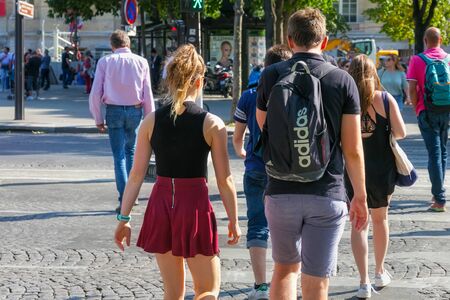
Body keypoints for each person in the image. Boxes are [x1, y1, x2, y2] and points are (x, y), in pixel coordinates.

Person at [255, 8, 368, 299]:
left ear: (290, 40)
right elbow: (353, 149)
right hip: (326, 192)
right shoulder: (342, 80)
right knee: (316, 279)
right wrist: (360, 196)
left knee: (284, 269)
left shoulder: (269, 75)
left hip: (280, 190)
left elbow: (264, 126)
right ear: (325, 40)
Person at [114, 44, 241, 299]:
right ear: (200, 80)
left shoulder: (150, 121)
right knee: (208, 290)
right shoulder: (211, 124)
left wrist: (124, 218)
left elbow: (136, 174)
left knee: (173, 293)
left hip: (161, 204)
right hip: (194, 206)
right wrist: (234, 220)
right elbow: (224, 179)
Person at [232, 44, 292, 299]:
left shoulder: (248, 95)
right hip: (286, 170)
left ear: (265, 66)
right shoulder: (293, 91)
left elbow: (238, 136)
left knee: (257, 224)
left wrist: (241, 151)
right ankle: (287, 282)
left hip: (256, 166)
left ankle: (260, 286)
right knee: (287, 227)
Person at [347, 54, 406, 298]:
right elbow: (401, 133)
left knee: (358, 223)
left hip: (353, 170)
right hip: (382, 169)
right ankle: (380, 271)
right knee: (380, 220)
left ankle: (363, 282)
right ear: (373, 73)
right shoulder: (385, 99)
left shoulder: (345, 100)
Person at [89, 30, 155, 213]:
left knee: (118, 156)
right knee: (132, 152)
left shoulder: (105, 62)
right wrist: (151, 119)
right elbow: (147, 93)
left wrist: (98, 118)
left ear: (112, 46)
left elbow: (95, 93)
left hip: (114, 111)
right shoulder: (142, 62)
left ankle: (124, 196)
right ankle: (132, 197)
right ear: (128, 44)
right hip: (135, 110)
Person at [407, 27, 450, 212]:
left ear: (425, 40)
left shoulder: (417, 60)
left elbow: (411, 89)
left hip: (427, 110)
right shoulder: (448, 59)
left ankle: (439, 199)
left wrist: (417, 110)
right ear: (441, 40)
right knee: (442, 151)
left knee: (434, 153)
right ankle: (437, 192)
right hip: (445, 110)